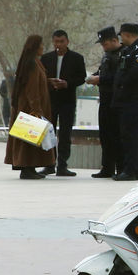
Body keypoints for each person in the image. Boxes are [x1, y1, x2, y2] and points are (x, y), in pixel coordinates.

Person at [4, 35, 56, 179]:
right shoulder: (31, 64)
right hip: (29, 107)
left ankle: (30, 167)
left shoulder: (35, 62)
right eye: (41, 45)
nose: (43, 48)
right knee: (28, 138)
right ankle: (26, 168)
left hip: (32, 106)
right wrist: (36, 109)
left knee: (33, 138)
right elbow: (31, 89)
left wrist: (49, 82)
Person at [39, 29, 86, 177]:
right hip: (50, 100)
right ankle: (49, 164)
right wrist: (49, 82)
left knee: (65, 134)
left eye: (62, 41)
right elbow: (40, 78)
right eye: (56, 41)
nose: (59, 44)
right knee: (48, 133)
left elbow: (81, 78)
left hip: (67, 101)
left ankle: (63, 165)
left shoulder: (76, 58)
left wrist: (67, 84)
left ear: (67, 41)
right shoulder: (46, 58)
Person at [112, 23, 138, 181]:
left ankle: (132, 171)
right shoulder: (128, 50)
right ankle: (130, 169)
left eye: (122, 36)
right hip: (125, 101)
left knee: (132, 136)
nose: (121, 39)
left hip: (134, 100)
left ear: (127, 34)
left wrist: (122, 85)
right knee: (126, 136)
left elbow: (136, 74)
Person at [87, 26, 123, 179]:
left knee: (116, 136)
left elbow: (119, 77)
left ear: (115, 40)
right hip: (105, 100)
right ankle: (106, 167)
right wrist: (94, 77)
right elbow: (103, 71)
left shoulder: (123, 55)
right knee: (105, 135)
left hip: (116, 101)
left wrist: (100, 79)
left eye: (105, 44)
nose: (103, 47)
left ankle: (120, 167)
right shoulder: (107, 55)